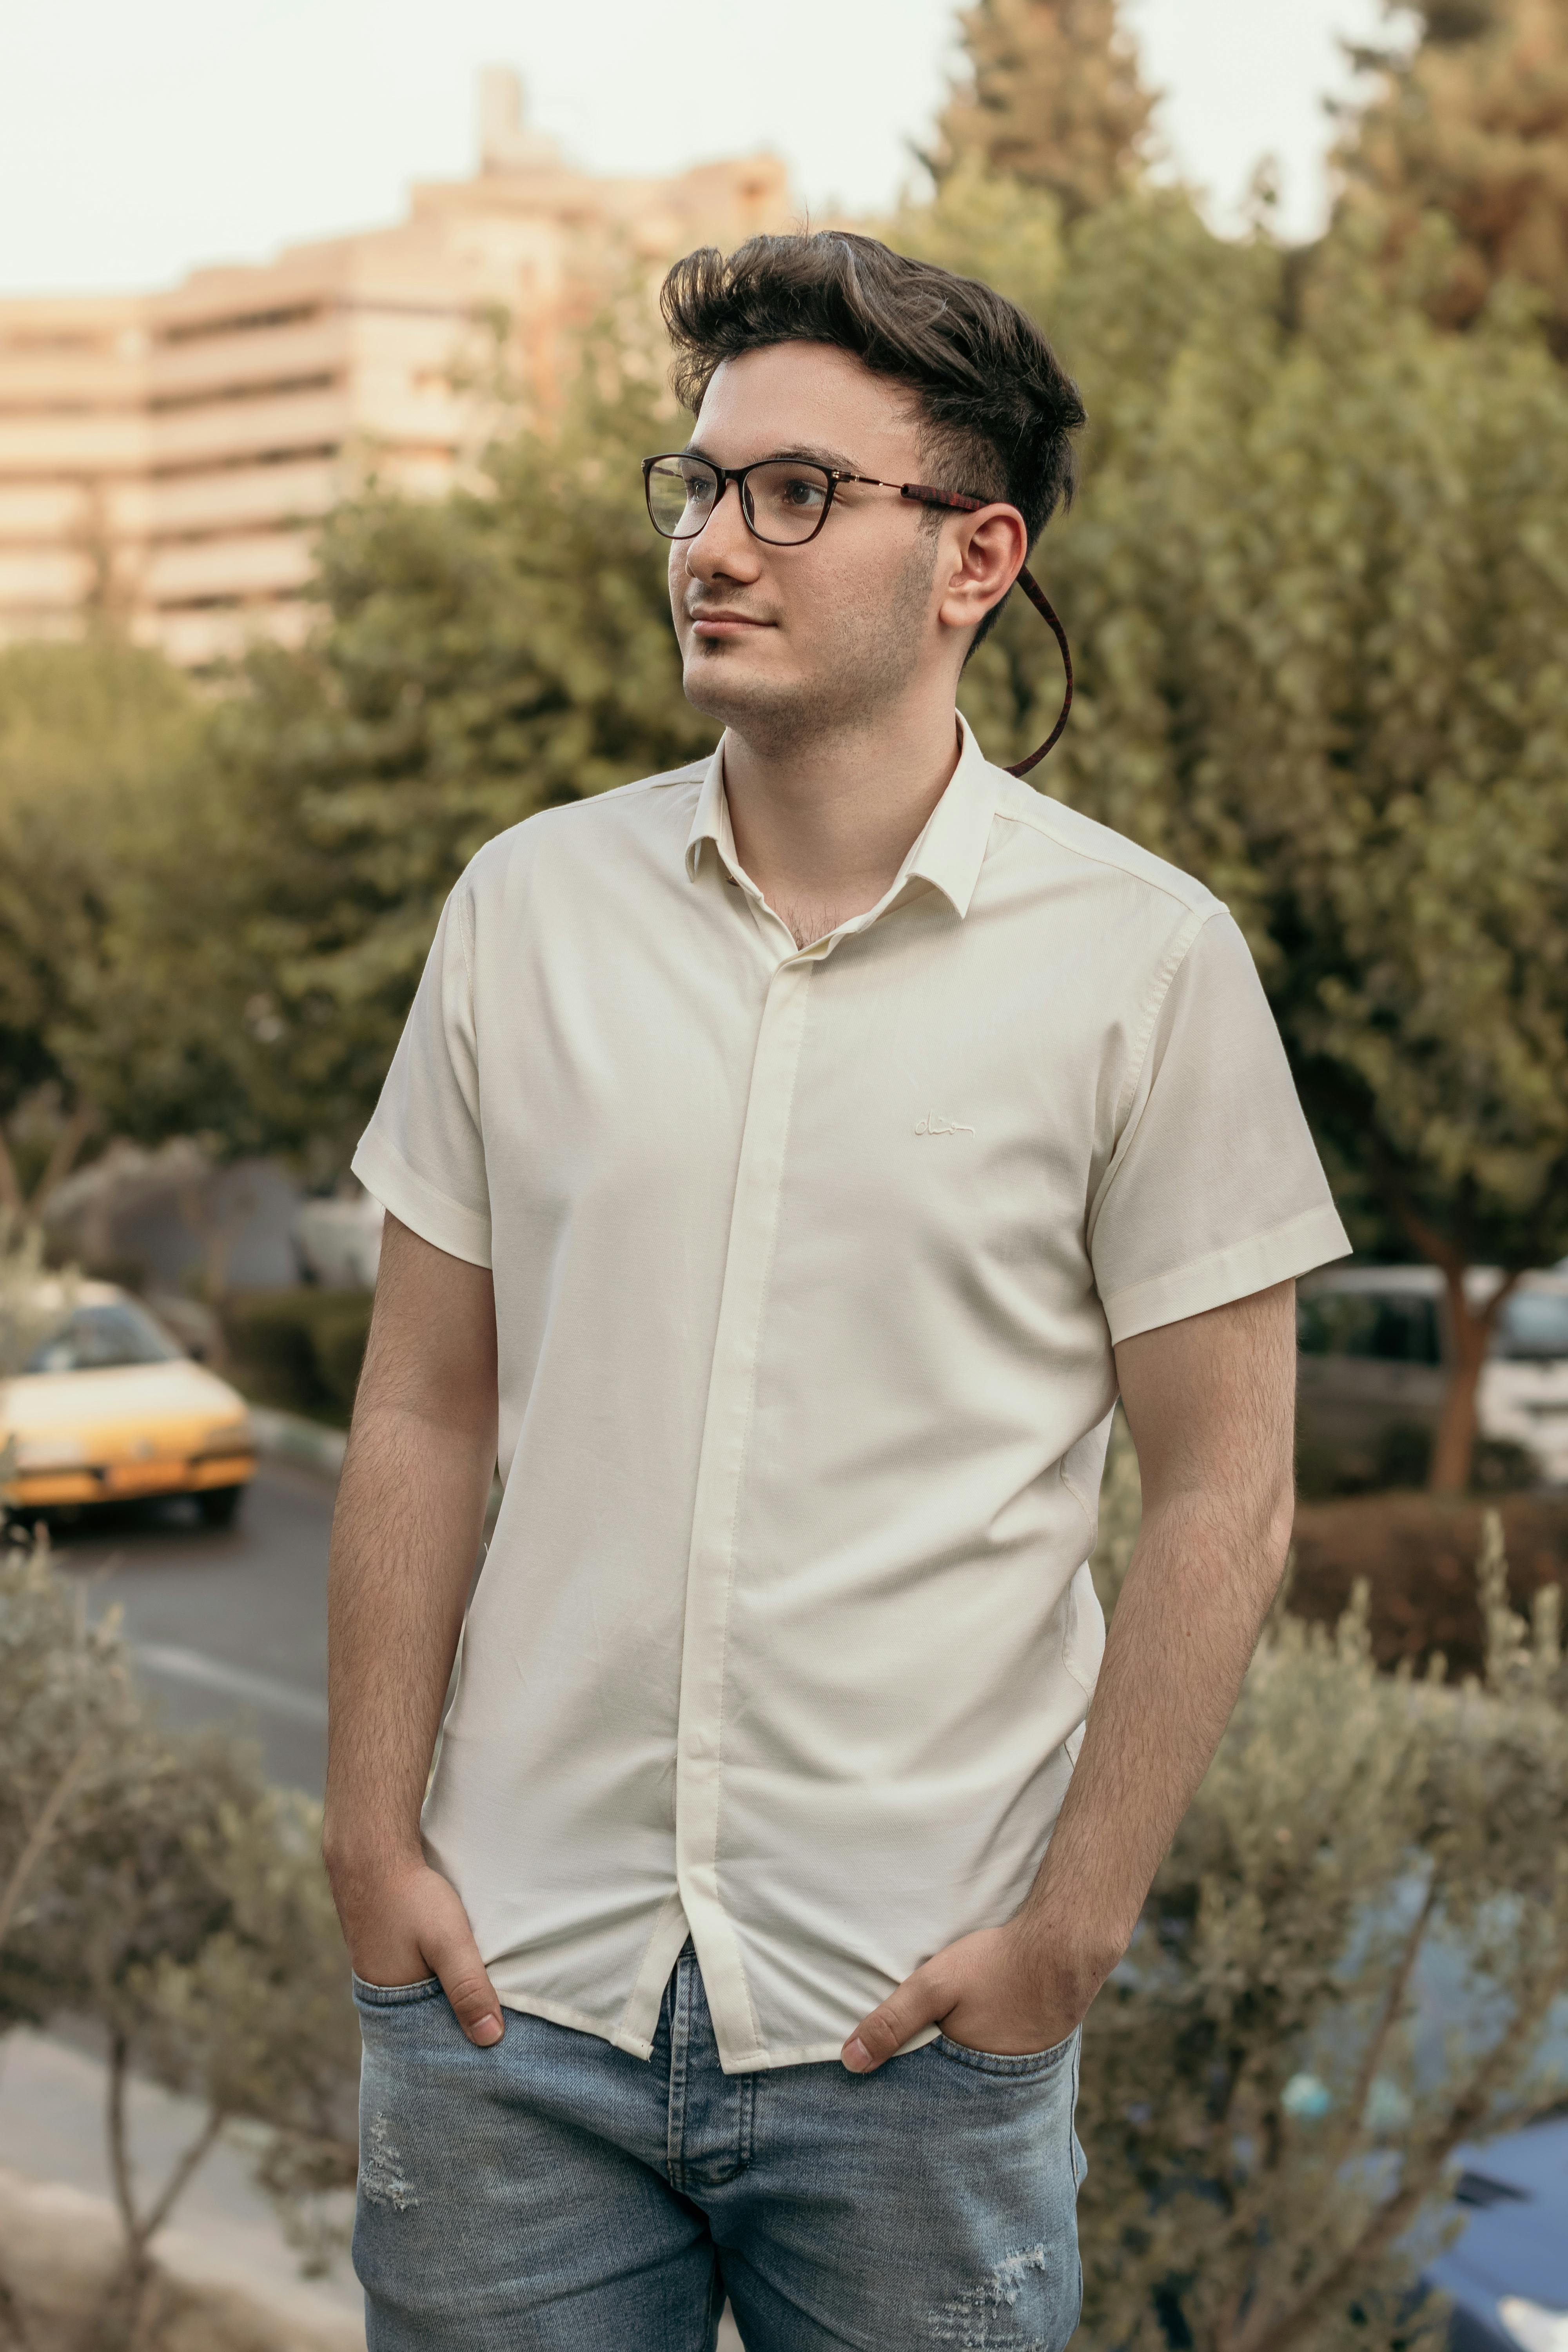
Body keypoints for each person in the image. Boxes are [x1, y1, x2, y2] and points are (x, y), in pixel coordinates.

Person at [324, 230, 1350, 2351]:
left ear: (974, 558)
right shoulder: (526, 914)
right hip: (514, 2010)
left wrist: (1067, 1940)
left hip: (917, 2039)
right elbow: (424, 1404)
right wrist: (369, 1847)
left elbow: (1228, 1493)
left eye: (798, 492)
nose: (718, 540)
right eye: (699, 485)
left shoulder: (1148, 966)